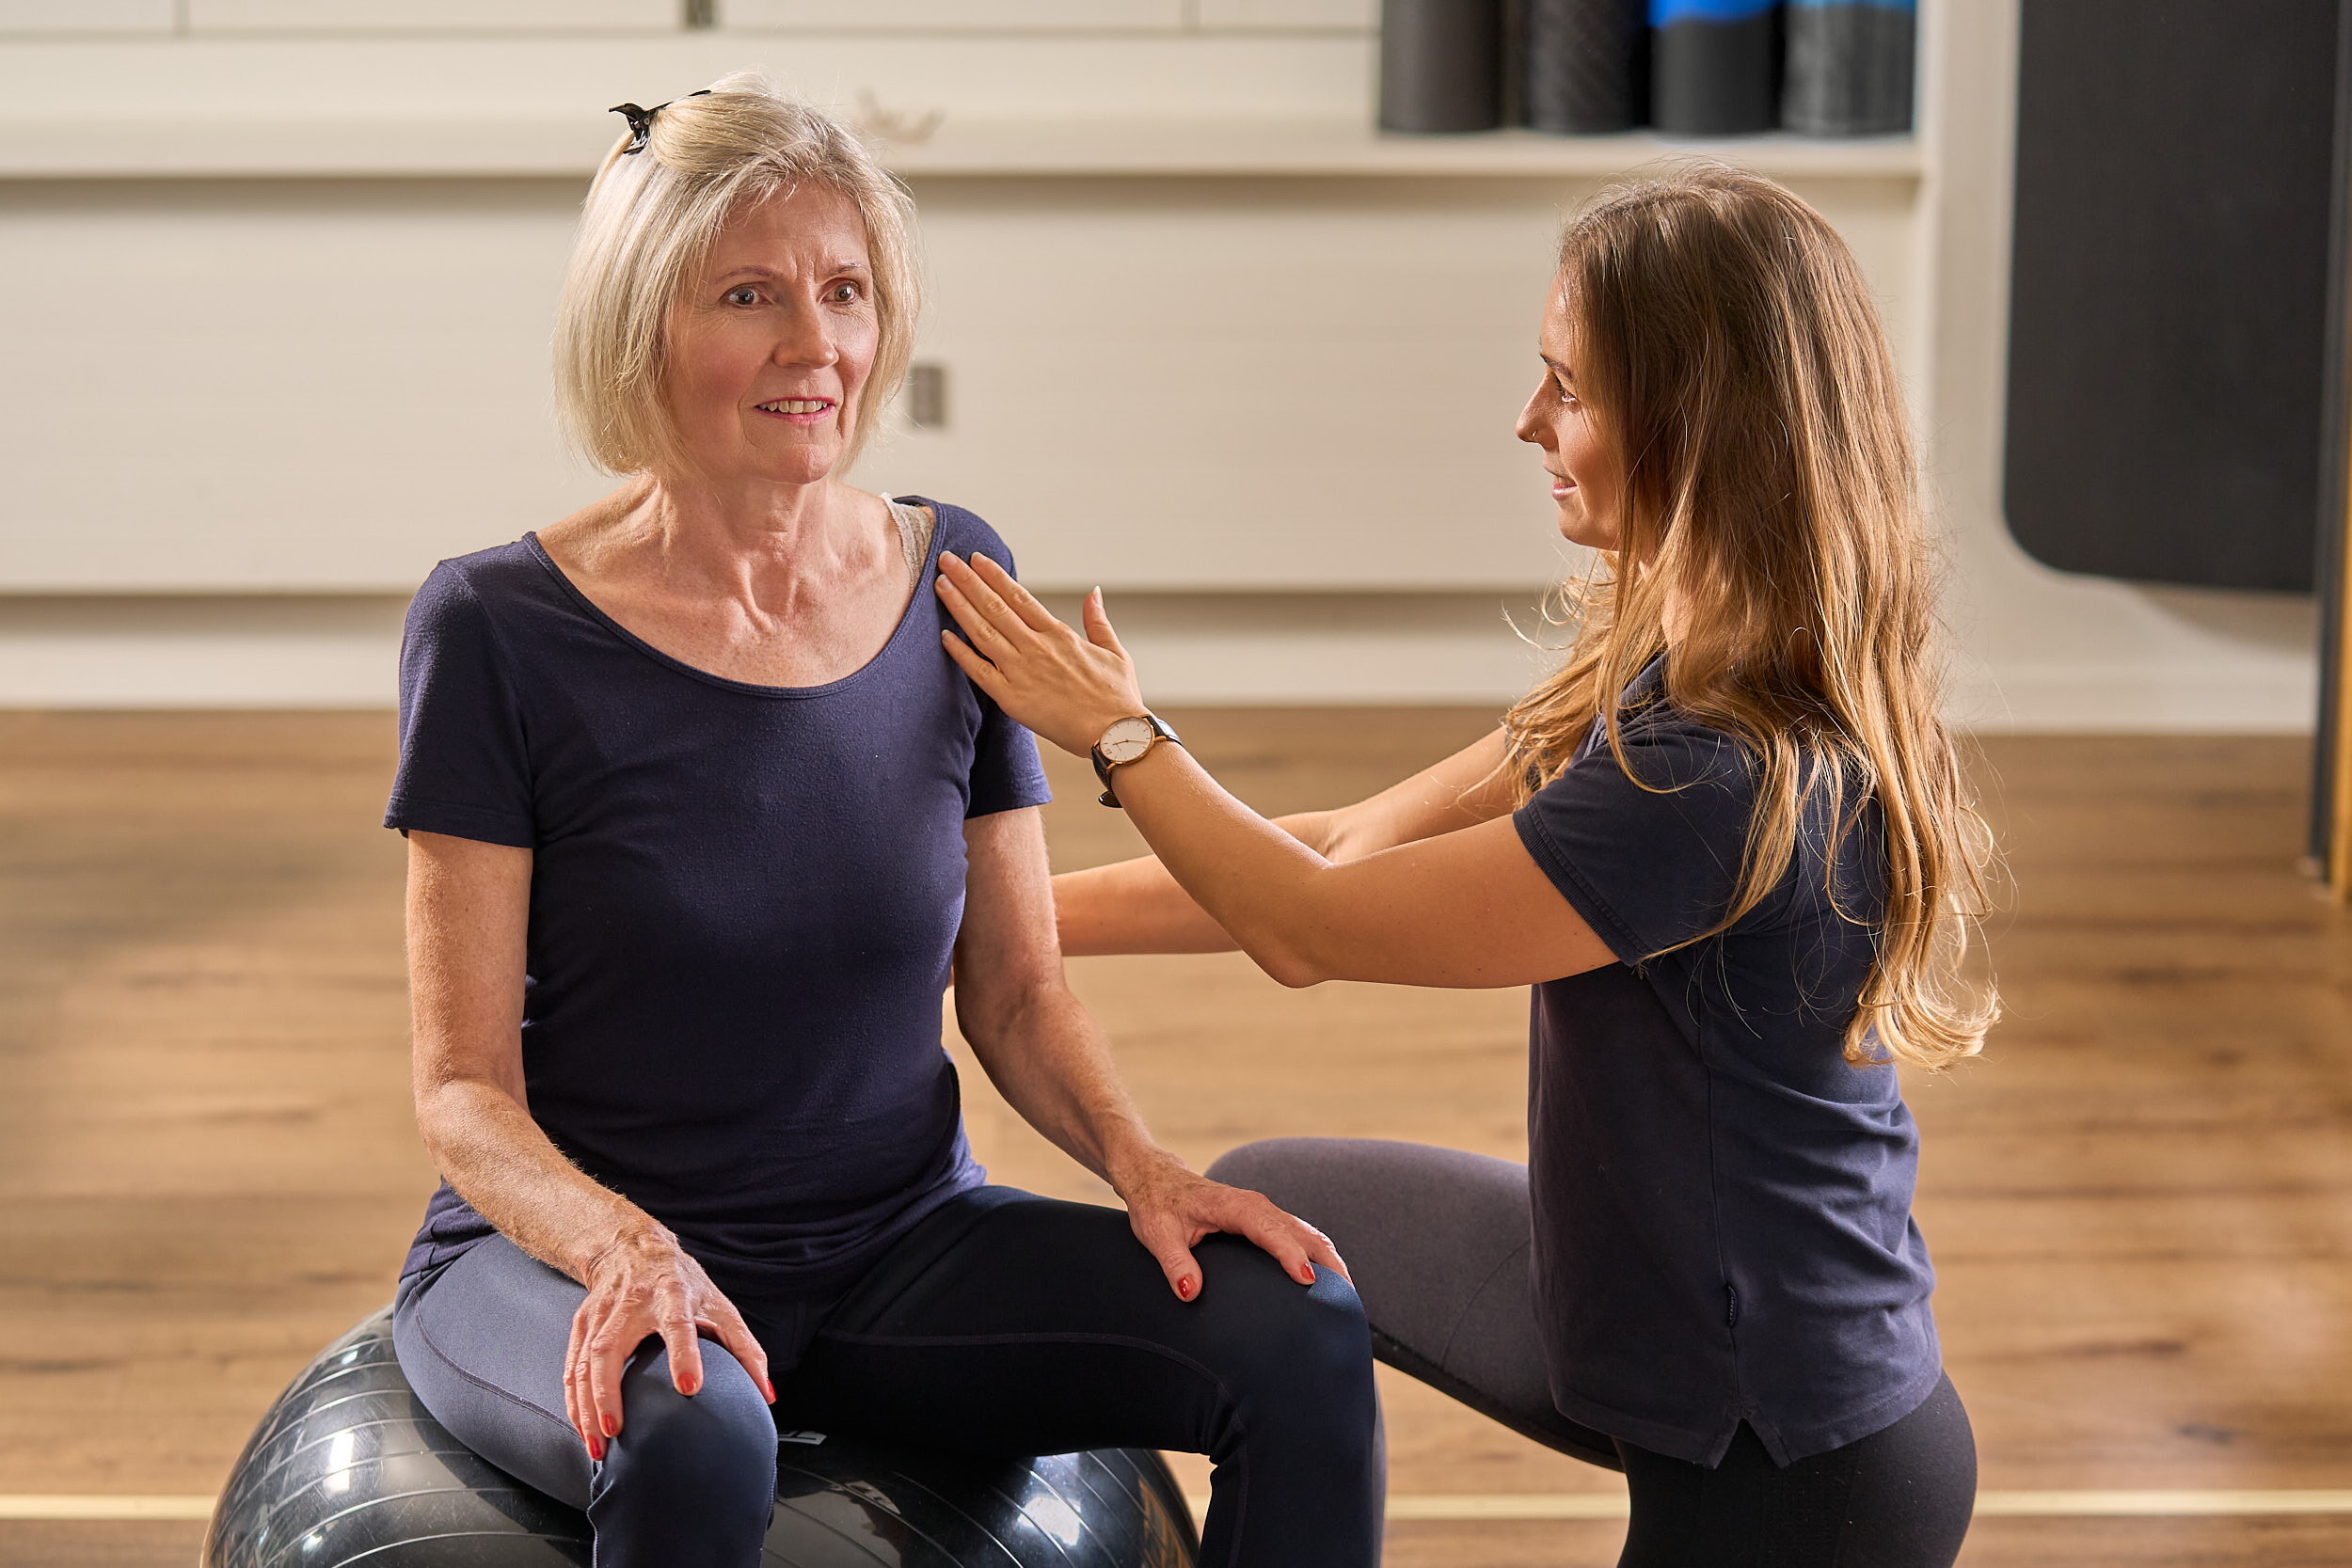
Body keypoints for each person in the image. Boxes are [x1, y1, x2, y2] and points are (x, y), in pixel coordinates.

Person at [931, 164, 1993, 1568]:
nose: (1529, 421)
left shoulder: (1710, 774)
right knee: (1274, 1211)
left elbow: (1307, 925)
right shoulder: (1665, 664)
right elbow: (1330, 850)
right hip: (1635, 1305)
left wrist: (1119, 737)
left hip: (1785, 1462)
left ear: (1697, 424)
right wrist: (960, 922)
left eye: (1571, 388)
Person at [384, 76, 1379, 1568]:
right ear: (641, 324)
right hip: (581, 1262)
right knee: (692, 1432)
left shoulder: (953, 577)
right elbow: (463, 1089)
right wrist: (624, 1248)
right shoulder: (497, 628)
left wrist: (1142, 1165)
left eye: (846, 291)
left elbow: (1020, 986)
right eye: (750, 295)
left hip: (899, 1249)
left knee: (1298, 1330)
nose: (817, 344)